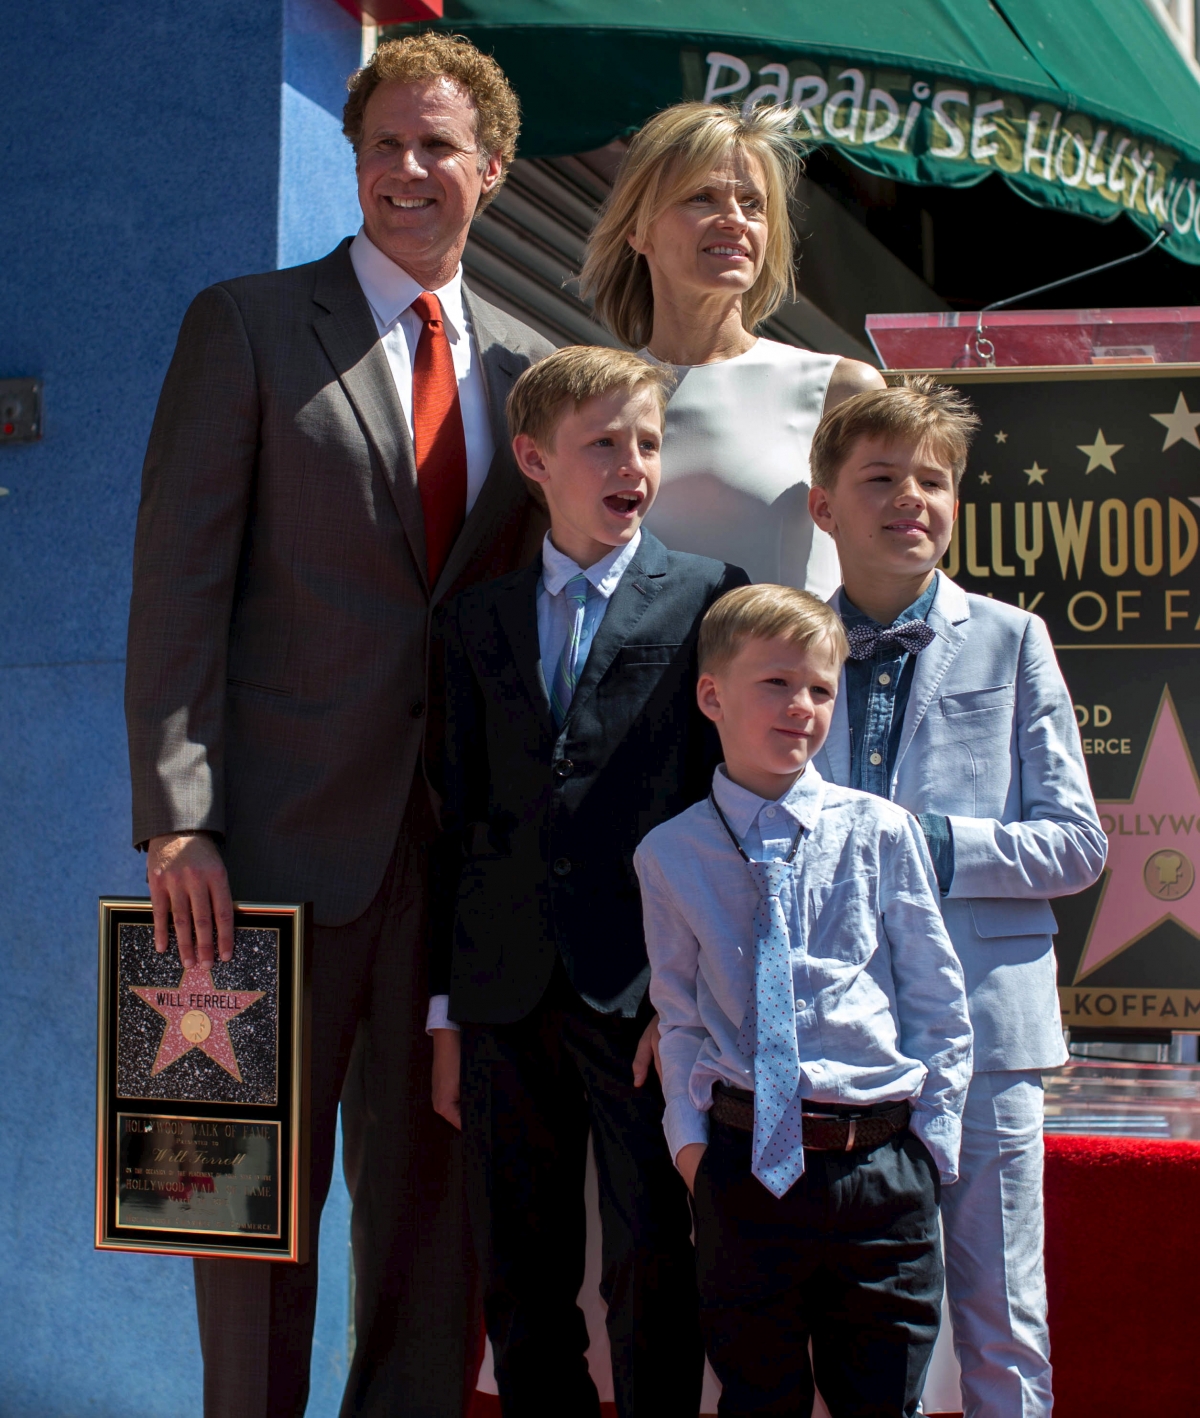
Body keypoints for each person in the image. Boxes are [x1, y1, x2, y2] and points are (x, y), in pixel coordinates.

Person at [124, 32, 554, 1418]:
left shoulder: (537, 376)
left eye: (439, 147)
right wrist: (176, 813)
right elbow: (179, 579)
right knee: (227, 1207)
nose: (409, 171)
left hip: (451, 884)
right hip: (247, 874)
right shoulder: (244, 322)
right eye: (385, 145)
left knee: (435, 1237)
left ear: (491, 169)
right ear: (354, 162)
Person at [426, 345, 748, 1417]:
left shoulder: (712, 597)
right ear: (533, 457)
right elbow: (457, 820)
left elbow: (728, 812)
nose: (633, 463)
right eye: (604, 442)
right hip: (503, 997)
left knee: (653, 1257)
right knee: (520, 1267)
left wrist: (694, 990)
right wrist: (444, 1015)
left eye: (647, 442)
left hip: (644, 995)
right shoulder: (473, 622)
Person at [806, 379, 1108, 1418]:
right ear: (823, 506)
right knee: (847, 1318)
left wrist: (931, 842)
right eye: (880, 478)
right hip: (834, 1040)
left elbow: (1078, 843)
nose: (911, 499)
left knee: (1001, 1311)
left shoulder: (1013, 638)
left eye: (932, 480)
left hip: (986, 1032)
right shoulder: (790, 647)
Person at [634, 583, 973, 1417]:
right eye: (776, 683)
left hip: (881, 1169)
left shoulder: (881, 831)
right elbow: (676, 1016)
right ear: (713, 695)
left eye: (821, 688)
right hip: (746, 1171)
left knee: (885, 1402)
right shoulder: (668, 855)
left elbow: (937, 999)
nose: (803, 707)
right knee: (757, 1400)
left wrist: (928, 1149)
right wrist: (692, 1152)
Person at [579, 101, 885, 599]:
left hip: (797, 674)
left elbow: (892, 584)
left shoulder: (842, 391)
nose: (734, 220)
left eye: (753, 203)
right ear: (637, 229)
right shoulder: (594, 403)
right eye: (702, 197)